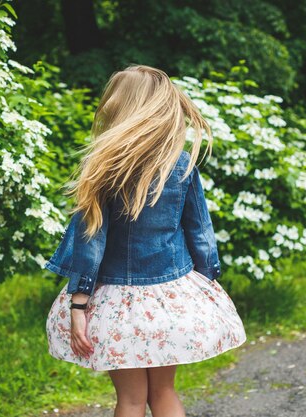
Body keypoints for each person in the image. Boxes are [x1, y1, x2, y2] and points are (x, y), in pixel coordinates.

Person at [43, 64, 247, 417]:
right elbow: (200, 231)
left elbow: (90, 243)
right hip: (169, 301)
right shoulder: (181, 164)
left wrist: (79, 306)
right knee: (164, 393)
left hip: (117, 306)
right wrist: (208, 283)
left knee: (131, 400)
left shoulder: (104, 168)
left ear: (120, 109)